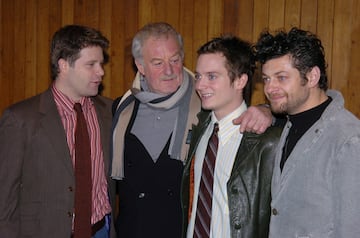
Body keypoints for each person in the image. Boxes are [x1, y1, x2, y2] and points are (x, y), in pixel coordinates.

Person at [110, 22, 273, 238]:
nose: (169, 71)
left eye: (175, 60)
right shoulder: (121, 109)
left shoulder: (204, 110)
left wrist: (269, 110)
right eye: (158, 63)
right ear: (140, 66)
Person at [0, 25, 116, 238]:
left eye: (101, 64)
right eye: (91, 64)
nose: (100, 71)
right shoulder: (21, 119)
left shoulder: (111, 111)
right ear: (63, 65)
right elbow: (4, 198)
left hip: (100, 231)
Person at [253, 27, 360, 237]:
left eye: (281, 77)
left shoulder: (349, 140)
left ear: (312, 77)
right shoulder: (289, 121)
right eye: (266, 79)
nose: (269, 88)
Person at [180, 35, 281, 238]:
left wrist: (271, 112)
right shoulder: (201, 129)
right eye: (198, 76)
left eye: (212, 76)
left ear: (240, 80)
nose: (199, 85)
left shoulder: (266, 141)